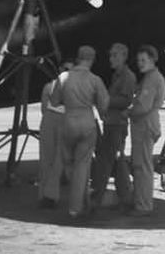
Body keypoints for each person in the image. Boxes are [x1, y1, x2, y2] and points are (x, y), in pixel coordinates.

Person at [51, 45, 109, 219]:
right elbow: (104, 104)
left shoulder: (64, 77)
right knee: (83, 165)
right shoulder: (95, 80)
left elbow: (54, 101)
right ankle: (76, 207)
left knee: (69, 162)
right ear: (91, 60)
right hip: (87, 122)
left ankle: (78, 199)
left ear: (78, 57)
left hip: (68, 121)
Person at [90, 43, 136, 210]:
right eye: (111, 55)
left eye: (114, 56)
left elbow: (126, 100)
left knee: (107, 160)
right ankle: (125, 196)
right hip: (112, 122)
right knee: (116, 160)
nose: (111, 59)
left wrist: (105, 100)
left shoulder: (127, 77)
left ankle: (97, 197)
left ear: (124, 57)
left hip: (117, 125)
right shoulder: (118, 76)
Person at [124, 44, 165, 216]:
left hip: (144, 124)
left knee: (142, 166)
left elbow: (143, 106)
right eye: (139, 60)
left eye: (144, 60)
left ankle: (143, 205)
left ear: (152, 60)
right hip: (146, 124)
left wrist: (127, 112)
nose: (140, 63)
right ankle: (140, 201)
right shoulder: (151, 77)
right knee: (141, 164)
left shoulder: (151, 79)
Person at [38, 60, 72, 208]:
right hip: (59, 121)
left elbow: (44, 108)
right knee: (53, 160)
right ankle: (49, 195)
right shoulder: (69, 87)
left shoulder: (49, 86)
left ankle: (48, 195)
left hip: (53, 120)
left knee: (52, 160)